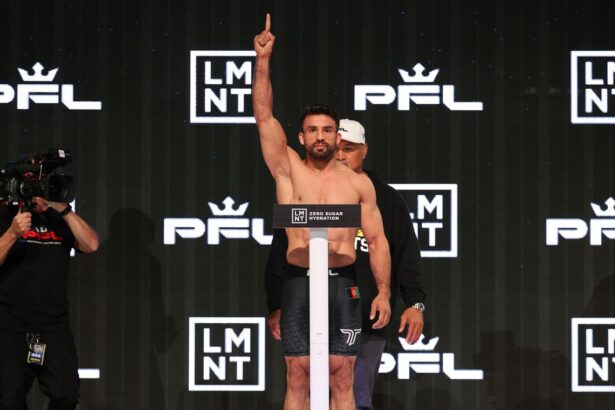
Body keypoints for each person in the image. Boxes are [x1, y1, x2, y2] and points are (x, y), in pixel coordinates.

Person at [253, 14, 391, 410]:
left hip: (342, 283)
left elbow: (377, 241)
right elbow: (264, 116)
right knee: (297, 373)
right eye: (312, 130)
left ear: (337, 136)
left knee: (342, 373)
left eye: (327, 130)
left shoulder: (358, 184)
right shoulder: (288, 170)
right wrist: (262, 61)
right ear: (301, 137)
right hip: (298, 281)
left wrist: (383, 291)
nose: (320, 136)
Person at [265, 119, 426, 410]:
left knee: (355, 395)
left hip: (364, 316)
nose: (340, 155)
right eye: (337, 148)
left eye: (349, 149)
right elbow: (281, 251)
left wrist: (414, 303)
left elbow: (405, 255)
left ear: (364, 150)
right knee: (303, 390)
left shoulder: (386, 199)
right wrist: (276, 304)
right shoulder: (306, 189)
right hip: (307, 309)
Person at [0, 196, 99, 410]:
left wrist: (63, 209)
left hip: (53, 325)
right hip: (10, 324)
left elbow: (91, 244)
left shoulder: (58, 218)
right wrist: (12, 233)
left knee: (67, 395)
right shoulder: (5, 215)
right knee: (9, 401)